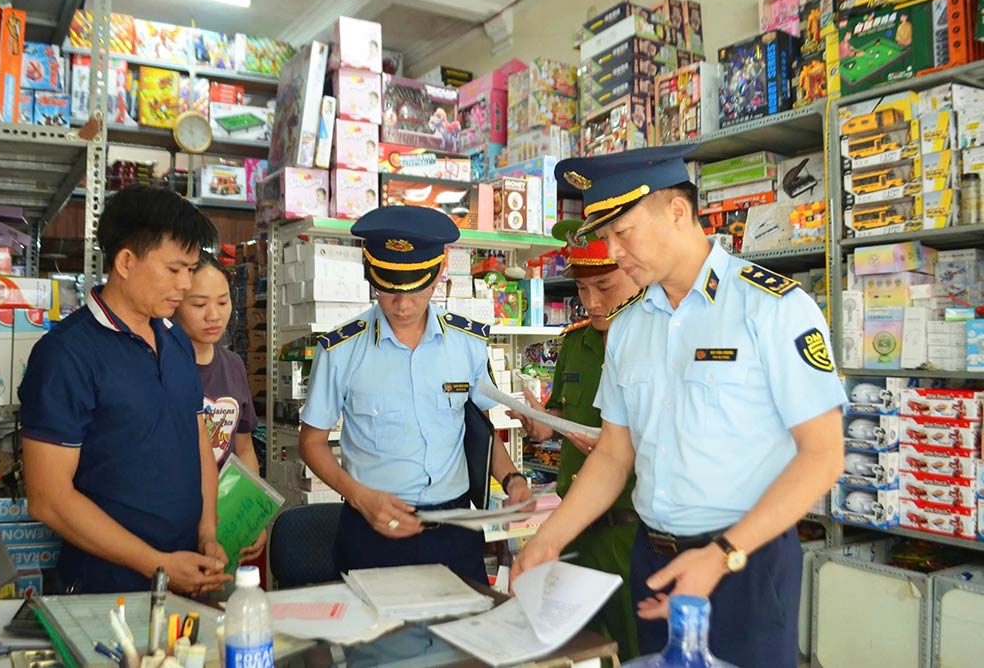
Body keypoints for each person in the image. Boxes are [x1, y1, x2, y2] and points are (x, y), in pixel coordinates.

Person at [512, 146, 846, 668]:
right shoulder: (628, 327)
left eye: (623, 232)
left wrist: (722, 555)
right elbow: (614, 454)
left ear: (676, 211)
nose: (613, 251)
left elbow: (823, 456)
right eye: (604, 236)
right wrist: (548, 540)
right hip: (655, 562)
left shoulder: (772, 308)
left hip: (745, 562)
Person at [299, 205, 534, 584]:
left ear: (440, 271)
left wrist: (513, 480)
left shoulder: (468, 343)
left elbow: (481, 431)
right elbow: (311, 443)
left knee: (466, 620)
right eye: (389, 289)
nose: (403, 304)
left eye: (417, 288)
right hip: (372, 530)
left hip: (455, 531)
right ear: (371, 273)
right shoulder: (340, 349)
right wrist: (359, 497)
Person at [20, 187, 232, 596]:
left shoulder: (175, 340)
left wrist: (208, 531)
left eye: (191, 269)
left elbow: (198, 441)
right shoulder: (66, 354)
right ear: (126, 262)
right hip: (107, 588)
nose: (186, 284)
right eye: (175, 269)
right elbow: (49, 499)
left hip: (187, 571)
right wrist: (158, 565)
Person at [508, 219, 642, 659]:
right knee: (581, 651)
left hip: (630, 531)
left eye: (604, 286)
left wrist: (617, 446)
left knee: (638, 649)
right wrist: (541, 423)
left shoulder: (655, 341)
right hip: (576, 530)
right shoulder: (575, 343)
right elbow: (563, 416)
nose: (592, 303)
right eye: (582, 290)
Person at [173, 251, 266, 565]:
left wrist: (253, 514)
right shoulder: (161, 364)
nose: (214, 315)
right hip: (175, 520)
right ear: (175, 302)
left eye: (223, 302)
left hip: (226, 515)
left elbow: (244, 448)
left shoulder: (233, 364)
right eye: (199, 305)